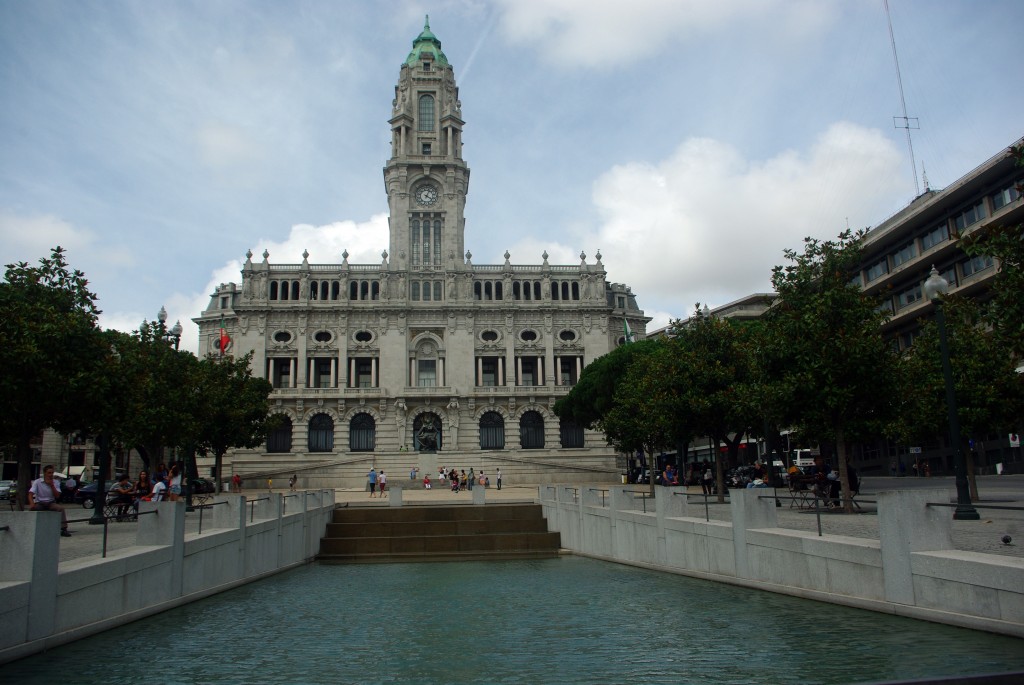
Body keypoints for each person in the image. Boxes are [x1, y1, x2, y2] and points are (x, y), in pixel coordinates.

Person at [29, 464, 71, 537]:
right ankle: (29, 527)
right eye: (49, 473)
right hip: (40, 503)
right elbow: (30, 494)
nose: (51, 475)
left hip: (51, 503)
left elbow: (57, 496)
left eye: (52, 473)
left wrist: (52, 485)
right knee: (32, 510)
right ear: (45, 473)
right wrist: (32, 503)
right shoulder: (37, 482)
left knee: (60, 509)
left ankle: (63, 529)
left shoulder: (56, 482)